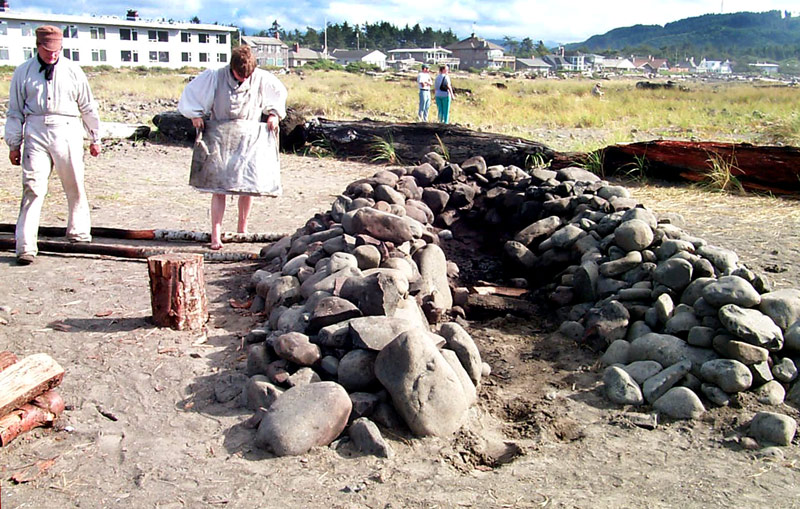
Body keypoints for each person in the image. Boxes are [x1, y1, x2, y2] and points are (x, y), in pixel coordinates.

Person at [4, 25, 102, 266]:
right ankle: (25, 245)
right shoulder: (23, 72)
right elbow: (14, 111)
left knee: (74, 182)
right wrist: (14, 144)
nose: (52, 55)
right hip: (35, 129)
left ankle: (78, 232)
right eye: (48, 50)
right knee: (33, 187)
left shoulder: (73, 70)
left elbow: (88, 106)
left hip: (67, 128)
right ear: (37, 47)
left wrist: (95, 137)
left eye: (57, 50)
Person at [178, 45, 287, 250]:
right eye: (239, 75)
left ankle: (242, 230)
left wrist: (273, 114)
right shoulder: (214, 77)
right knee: (219, 188)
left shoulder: (261, 78)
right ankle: (216, 235)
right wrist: (195, 115)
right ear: (232, 68)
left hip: (249, 137)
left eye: (247, 75)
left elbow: (278, 96)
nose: (243, 79)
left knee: (246, 186)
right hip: (220, 136)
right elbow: (191, 96)